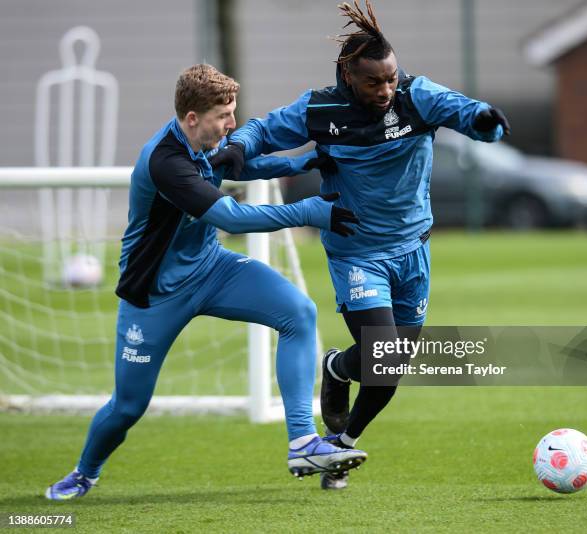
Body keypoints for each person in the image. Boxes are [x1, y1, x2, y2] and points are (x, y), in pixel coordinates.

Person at [45, 64, 366, 501]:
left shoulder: (203, 141)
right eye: (223, 115)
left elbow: (239, 164)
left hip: (211, 269)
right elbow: (231, 218)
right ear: (192, 118)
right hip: (154, 294)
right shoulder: (165, 161)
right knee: (127, 407)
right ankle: (84, 472)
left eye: (232, 112)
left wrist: (307, 159)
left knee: (298, 312)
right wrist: (311, 212)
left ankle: (301, 443)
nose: (232, 124)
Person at [225, 0, 511, 490]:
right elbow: (265, 129)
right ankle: (339, 396)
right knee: (384, 353)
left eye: (392, 79)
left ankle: (339, 430)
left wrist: (487, 121)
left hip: (413, 250)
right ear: (347, 76)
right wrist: (239, 147)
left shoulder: (417, 98)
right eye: (374, 82)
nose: (386, 90)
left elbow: (468, 113)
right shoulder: (321, 110)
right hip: (357, 252)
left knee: (393, 364)